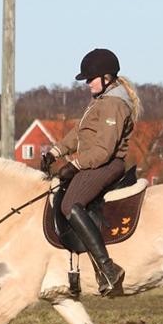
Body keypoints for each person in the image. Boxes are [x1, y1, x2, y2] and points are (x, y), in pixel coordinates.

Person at [40, 47, 141, 295]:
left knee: (70, 204)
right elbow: (79, 135)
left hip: (107, 165)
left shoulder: (115, 104)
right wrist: (55, 152)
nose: (86, 83)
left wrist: (74, 165)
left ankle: (108, 268)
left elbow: (103, 151)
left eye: (90, 79)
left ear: (107, 78)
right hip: (94, 162)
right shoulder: (101, 101)